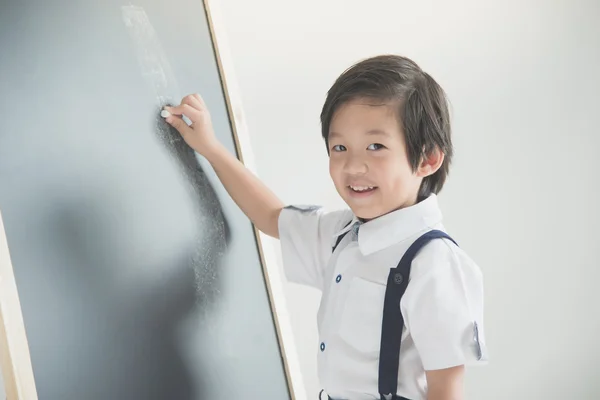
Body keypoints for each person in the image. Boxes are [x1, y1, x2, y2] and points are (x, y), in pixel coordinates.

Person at [163, 54, 488, 400]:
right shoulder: (342, 235)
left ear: (427, 158)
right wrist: (210, 148)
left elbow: (447, 390)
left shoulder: (435, 264)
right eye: (339, 147)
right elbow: (271, 215)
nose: (353, 165)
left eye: (375, 146)